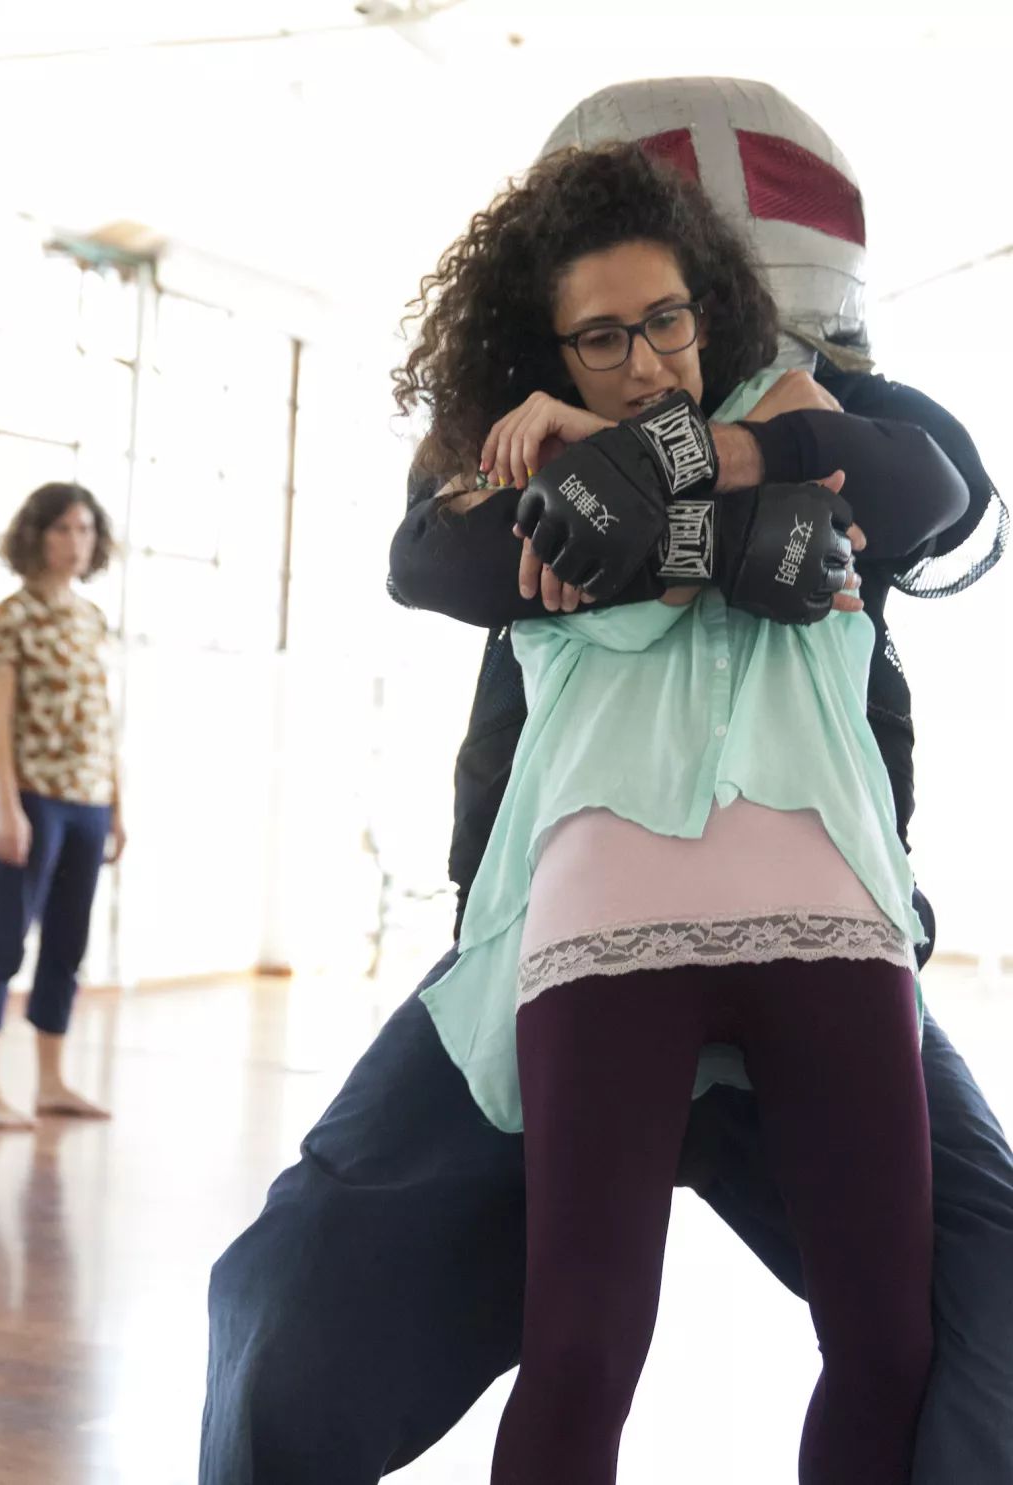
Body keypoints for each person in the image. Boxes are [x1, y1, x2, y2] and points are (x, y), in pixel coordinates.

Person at [200, 81, 1010, 1485]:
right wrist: (733, 526)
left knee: (982, 1318)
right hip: (557, 956)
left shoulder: (832, 405)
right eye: (601, 329)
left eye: (667, 313)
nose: (641, 350)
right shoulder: (508, 435)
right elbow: (440, 559)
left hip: (825, 931)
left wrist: (690, 469)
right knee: (293, 1317)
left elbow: (943, 497)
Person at [0, 482, 126, 1130]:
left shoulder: (89, 617)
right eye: (63, 528)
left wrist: (116, 803)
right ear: (36, 534)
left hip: (88, 800)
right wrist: (8, 807)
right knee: (5, 941)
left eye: (85, 529)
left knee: (67, 944)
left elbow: (101, 717)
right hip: (31, 800)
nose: (76, 541)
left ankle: (52, 1081)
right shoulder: (13, 615)